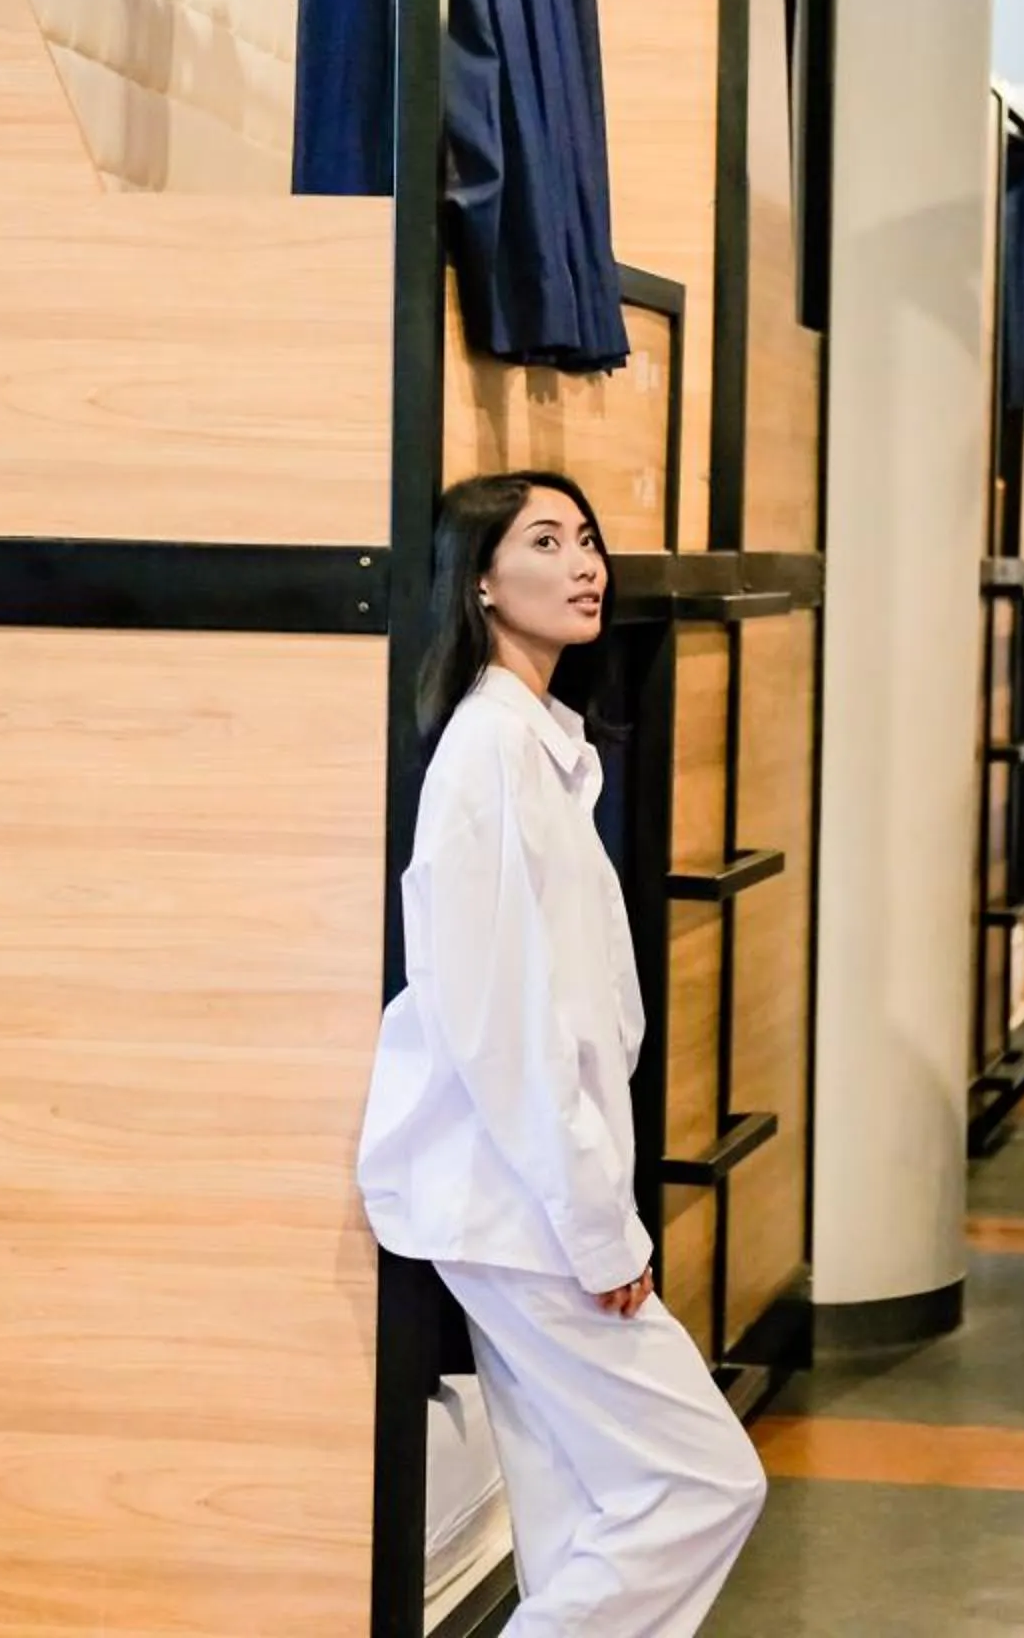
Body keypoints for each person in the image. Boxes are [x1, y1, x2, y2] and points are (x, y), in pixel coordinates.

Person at [358, 471, 767, 1636]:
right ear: (481, 579)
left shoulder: (540, 745)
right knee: (704, 1482)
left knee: (581, 1507)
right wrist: (599, 1222)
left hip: (526, 1194)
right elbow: (503, 1031)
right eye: (546, 540)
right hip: (521, 1204)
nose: (586, 560)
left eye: (588, 537)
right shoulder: (487, 754)